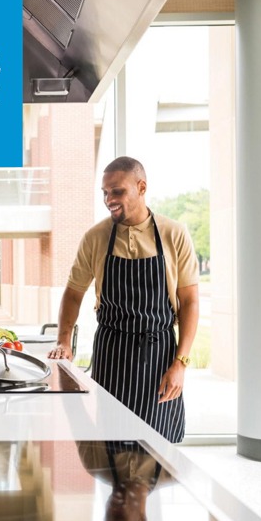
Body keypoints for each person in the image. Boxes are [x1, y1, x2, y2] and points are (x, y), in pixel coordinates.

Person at [48, 157, 199, 443]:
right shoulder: (95, 237)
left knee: (157, 449)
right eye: (105, 192)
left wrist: (180, 363)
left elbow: (190, 302)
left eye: (117, 191)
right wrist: (63, 340)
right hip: (112, 354)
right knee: (111, 444)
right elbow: (72, 293)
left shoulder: (173, 233)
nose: (109, 200)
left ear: (141, 187)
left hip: (159, 358)